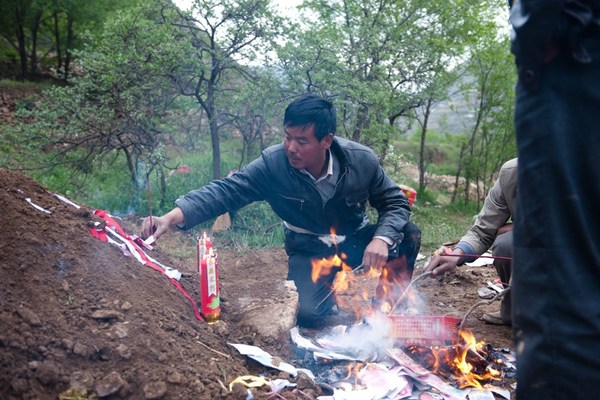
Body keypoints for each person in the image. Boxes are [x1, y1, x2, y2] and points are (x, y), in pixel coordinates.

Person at [141, 94, 421, 328]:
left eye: (302, 141)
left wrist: (381, 238)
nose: (291, 148)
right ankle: (329, 295)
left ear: (326, 140)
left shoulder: (361, 161)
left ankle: (386, 313)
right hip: (309, 248)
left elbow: (394, 202)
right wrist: (170, 218)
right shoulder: (273, 165)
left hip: (355, 240)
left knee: (406, 234)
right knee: (309, 315)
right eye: (287, 137)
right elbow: (225, 191)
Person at [510, 1, 600, 398]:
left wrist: (541, 30)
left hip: (576, 46)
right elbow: (485, 219)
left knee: (564, 294)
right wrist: (461, 248)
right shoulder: (505, 178)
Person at [424, 158, 517, 326]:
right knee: (506, 245)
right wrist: (458, 253)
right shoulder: (511, 173)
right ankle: (516, 310)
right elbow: (483, 231)